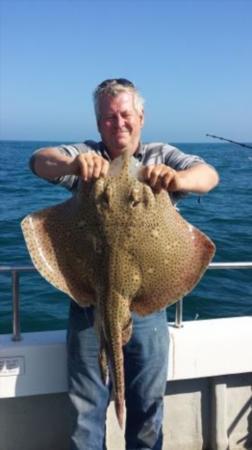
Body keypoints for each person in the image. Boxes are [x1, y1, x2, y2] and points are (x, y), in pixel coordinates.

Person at [30, 78, 219, 450]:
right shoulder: (88, 156)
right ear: (98, 123)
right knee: (85, 414)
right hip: (90, 299)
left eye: (125, 114)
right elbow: (38, 161)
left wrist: (176, 178)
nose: (118, 124)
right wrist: (72, 163)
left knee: (147, 410)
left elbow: (209, 176)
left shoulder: (160, 155)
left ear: (141, 116)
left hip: (148, 301)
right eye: (108, 118)